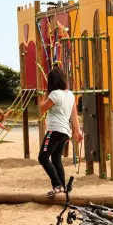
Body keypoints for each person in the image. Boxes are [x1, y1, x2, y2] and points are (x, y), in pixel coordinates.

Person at [38, 66, 83, 196]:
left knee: (43, 157)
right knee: (56, 159)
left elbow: (42, 108)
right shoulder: (70, 95)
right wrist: (77, 131)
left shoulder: (54, 94)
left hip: (54, 131)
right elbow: (74, 115)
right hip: (65, 132)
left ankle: (57, 184)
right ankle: (62, 187)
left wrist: (46, 93)